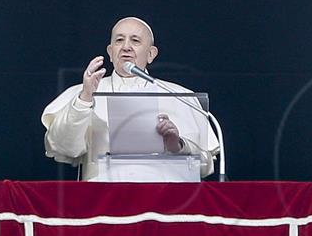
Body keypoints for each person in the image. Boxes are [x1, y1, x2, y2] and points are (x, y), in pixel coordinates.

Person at [42, 17, 219, 180]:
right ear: (110, 52)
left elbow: (205, 166)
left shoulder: (179, 96)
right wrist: (85, 99)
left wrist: (177, 145)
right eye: (119, 40)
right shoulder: (83, 93)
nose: (126, 46)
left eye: (135, 40)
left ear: (151, 54)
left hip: (165, 204)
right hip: (103, 203)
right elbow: (63, 147)